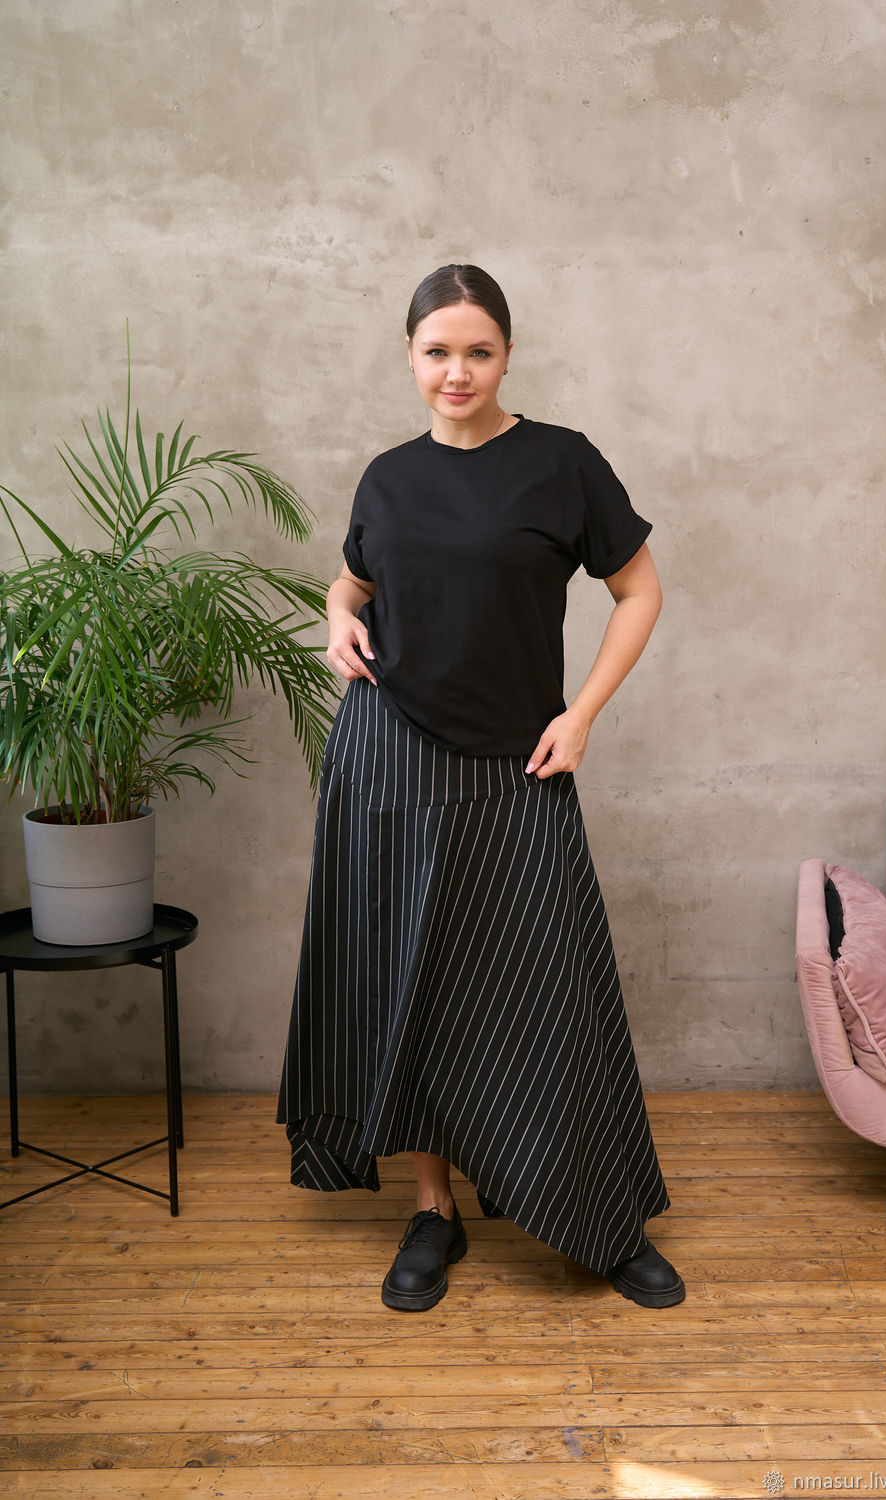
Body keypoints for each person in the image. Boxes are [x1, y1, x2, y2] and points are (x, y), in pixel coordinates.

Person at [277, 263, 683, 1313]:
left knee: (543, 986)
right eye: (436, 352)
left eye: (478, 352)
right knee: (408, 978)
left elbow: (638, 591)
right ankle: (434, 1211)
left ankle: (595, 1213)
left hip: (517, 758)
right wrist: (337, 618)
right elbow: (353, 581)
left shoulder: (562, 463)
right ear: (409, 357)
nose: (456, 372)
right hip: (388, 753)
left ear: (507, 355)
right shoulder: (387, 478)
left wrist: (579, 713)